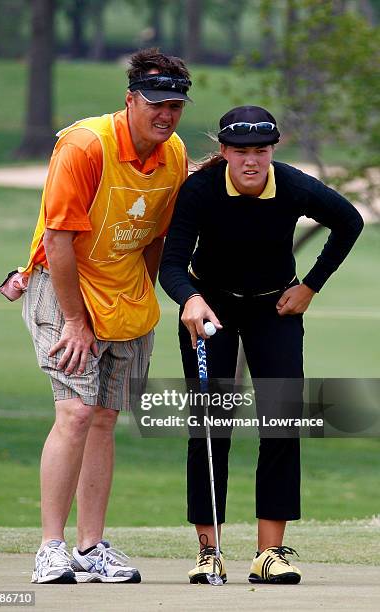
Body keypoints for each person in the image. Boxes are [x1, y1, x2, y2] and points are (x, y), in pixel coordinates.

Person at [159, 105, 364, 584]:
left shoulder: (291, 184)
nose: (251, 161)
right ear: (225, 151)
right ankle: (209, 551)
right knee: (211, 427)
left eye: (261, 151)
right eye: (241, 151)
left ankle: (269, 553)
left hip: (276, 310)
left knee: (281, 421)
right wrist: (189, 299)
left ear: (273, 150)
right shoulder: (201, 190)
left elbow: (349, 221)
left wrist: (311, 285)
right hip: (210, 310)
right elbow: (171, 263)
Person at [15, 48, 191, 584]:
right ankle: (51, 547)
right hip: (63, 289)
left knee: (105, 420)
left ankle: (91, 548)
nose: (165, 114)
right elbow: (58, 238)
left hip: (126, 297)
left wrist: (148, 295)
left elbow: (159, 238)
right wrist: (74, 320)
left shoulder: (174, 153)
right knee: (73, 412)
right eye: (156, 103)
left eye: (176, 105)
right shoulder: (85, 145)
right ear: (131, 100)